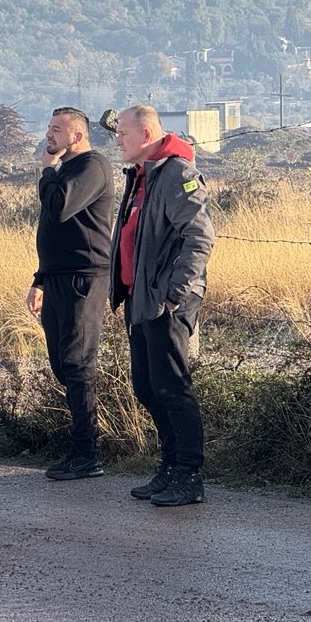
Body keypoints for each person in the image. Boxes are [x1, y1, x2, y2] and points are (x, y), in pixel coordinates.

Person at [110, 104, 215, 507]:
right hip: (141, 298)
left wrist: (175, 293)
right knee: (147, 386)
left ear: (147, 133)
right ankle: (170, 467)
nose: (117, 139)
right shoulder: (141, 176)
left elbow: (200, 238)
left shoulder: (176, 174)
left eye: (122, 132)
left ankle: (189, 474)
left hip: (166, 300)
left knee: (172, 386)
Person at [27, 107, 117, 481]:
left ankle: (87, 453)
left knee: (78, 363)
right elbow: (55, 230)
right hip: (58, 278)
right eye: (48, 127)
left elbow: (59, 207)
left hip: (85, 277)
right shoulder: (65, 169)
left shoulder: (92, 167)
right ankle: (81, 446)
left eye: (57, 129)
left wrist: (48, 169)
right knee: (63, 363)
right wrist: (40, 279)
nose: (50, 135)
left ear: (77, 135)